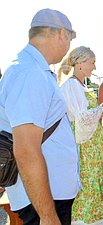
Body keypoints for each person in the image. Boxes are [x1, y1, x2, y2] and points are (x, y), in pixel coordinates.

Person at [0, 8, 79, 225]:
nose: (68, 47)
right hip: (43, 200)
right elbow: (26, 149)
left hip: (49, 193)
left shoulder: (33, 70)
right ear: (62, 33)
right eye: (69, 39)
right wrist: (47, 215)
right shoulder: (28, 74)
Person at [58, 46, 103, 224]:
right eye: (91, 63)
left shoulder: (80, 85)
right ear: (80, 64)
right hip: (85, 147)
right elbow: (82, 119)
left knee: (98, 183)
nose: (94, 67)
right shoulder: (71, 86)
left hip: (93, 145)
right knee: (88, 186)